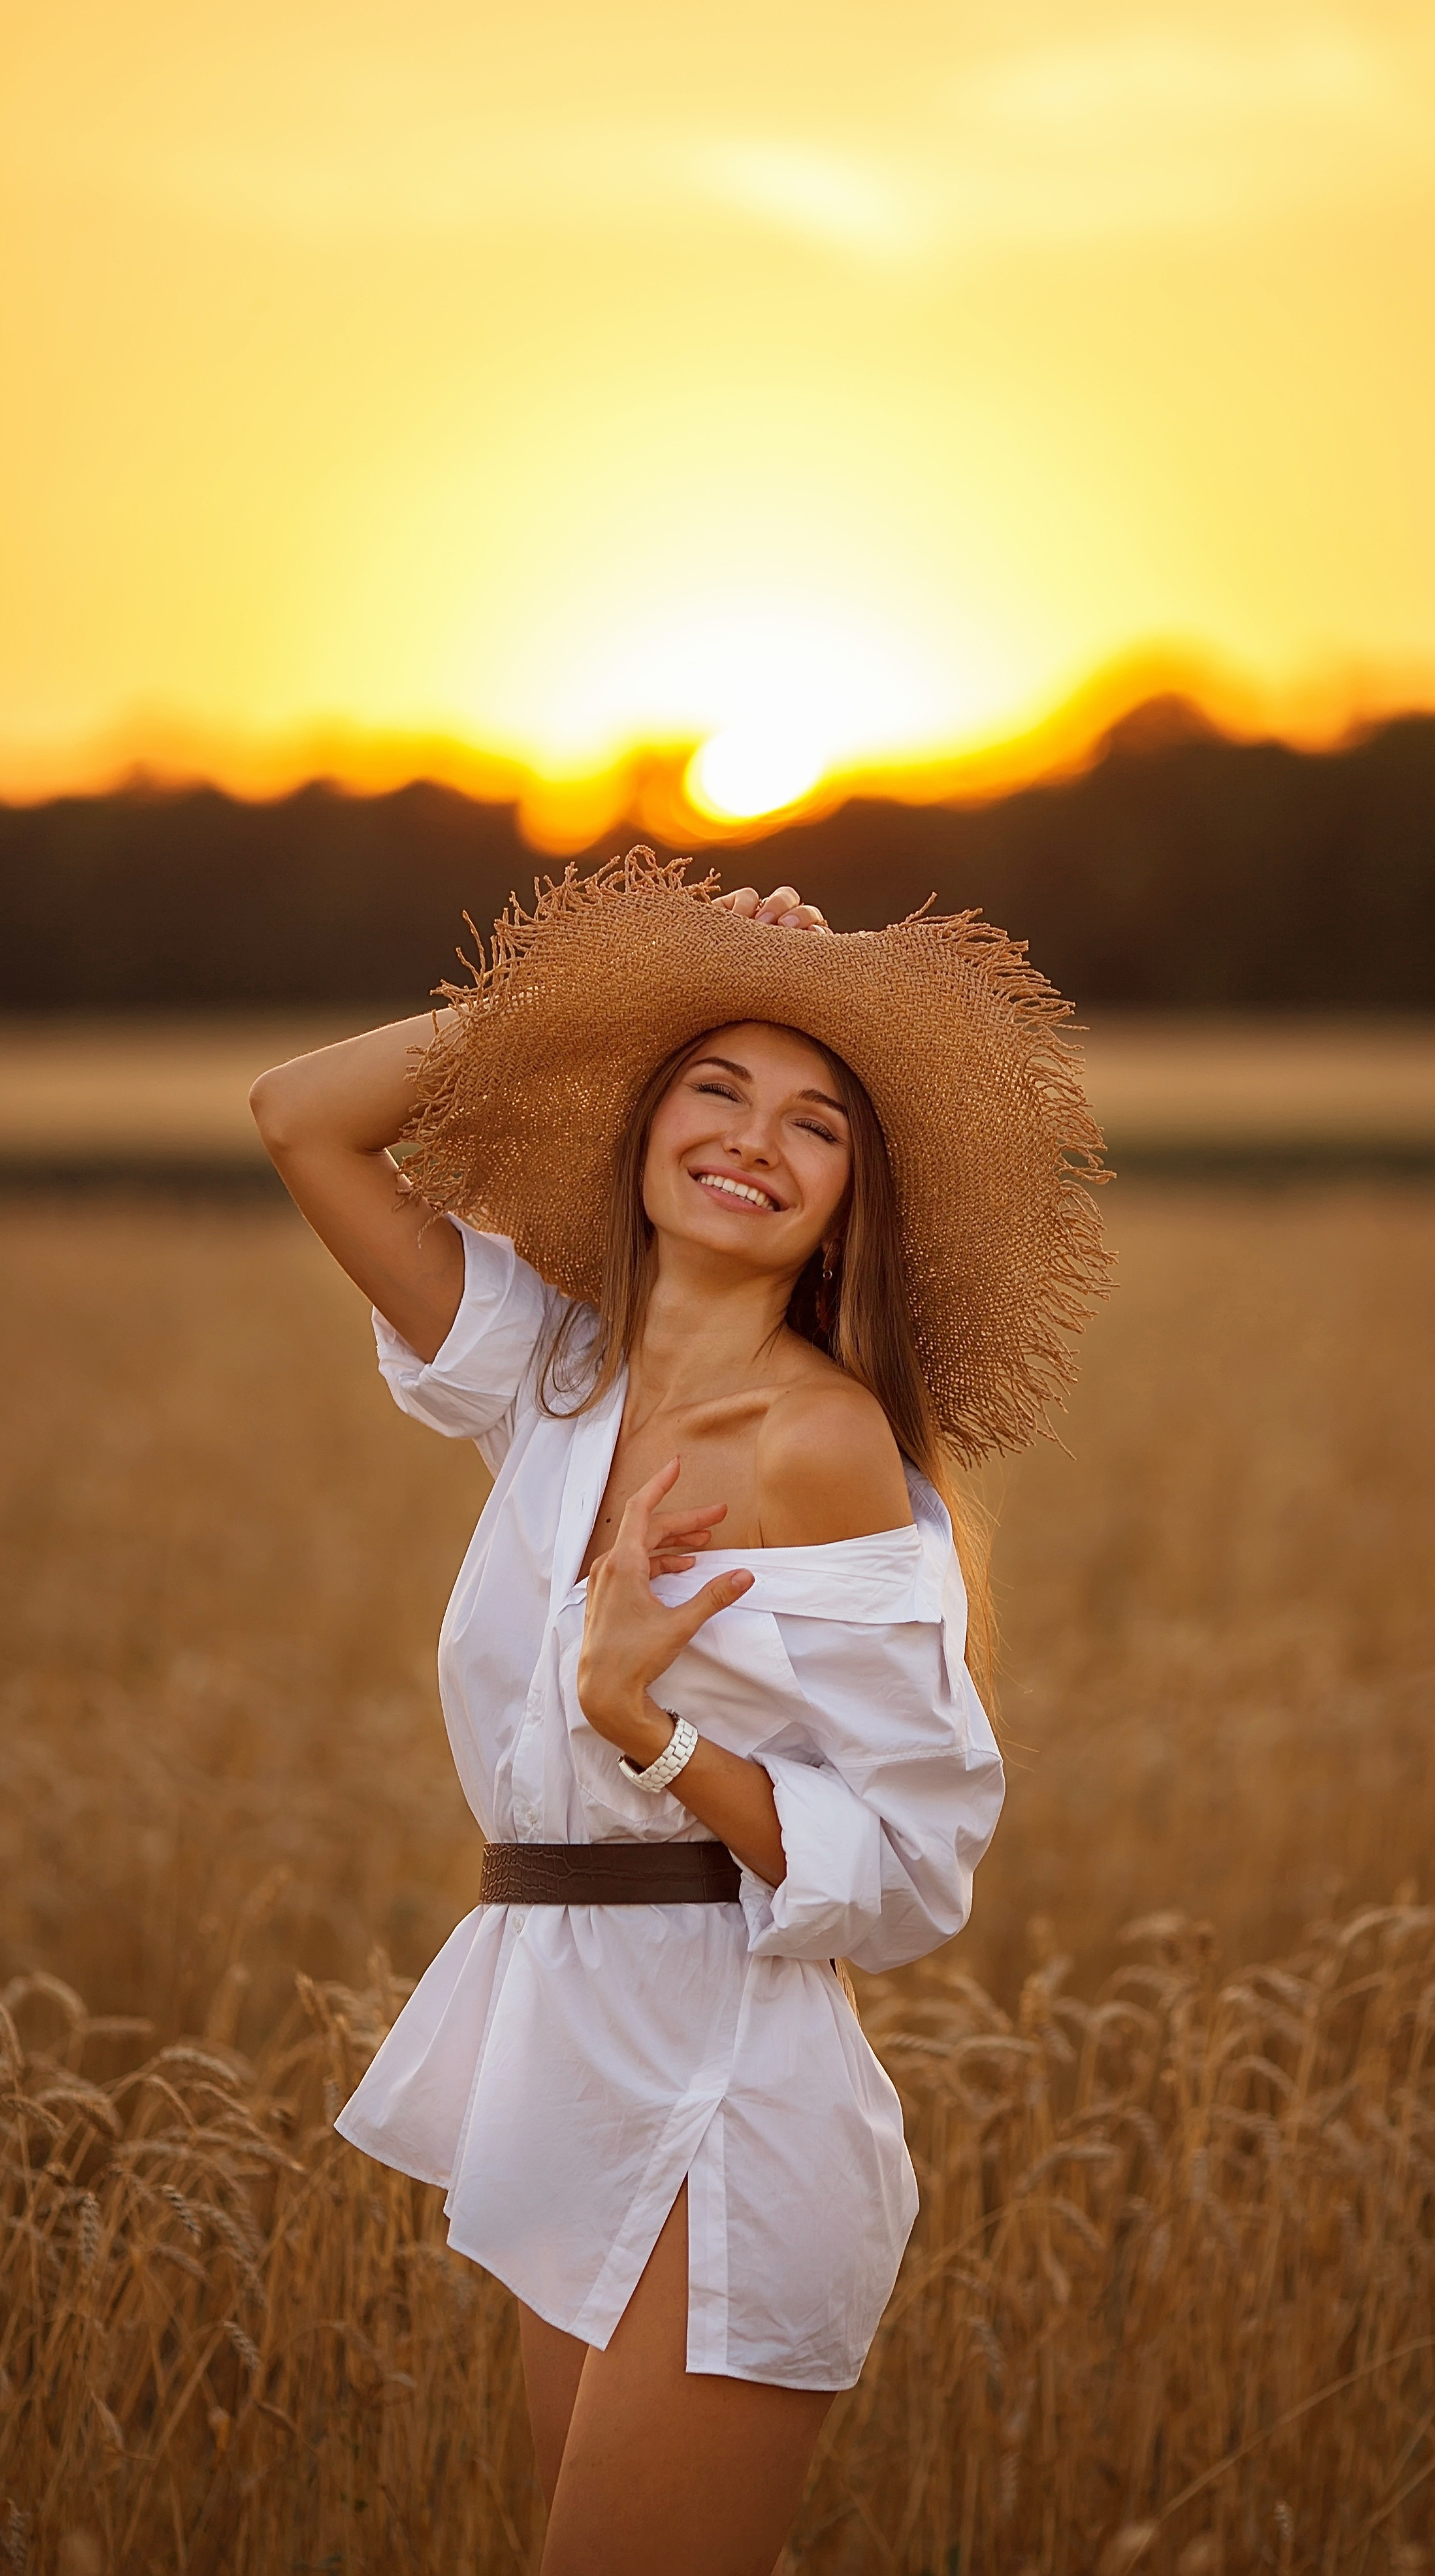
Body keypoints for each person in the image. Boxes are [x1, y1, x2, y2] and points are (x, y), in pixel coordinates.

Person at [249, 851, 1108, 2576]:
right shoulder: (551, 1380)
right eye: (711, 1090)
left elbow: (918, 1859)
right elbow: (300, 1117)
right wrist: (605, 990)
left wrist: (643, 1724)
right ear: (640, 1136)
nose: (751, 1141)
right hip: (563, 2066)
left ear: (846, 1208)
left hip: (730, 2095)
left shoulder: (822, 1445)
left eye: (815, 1126)